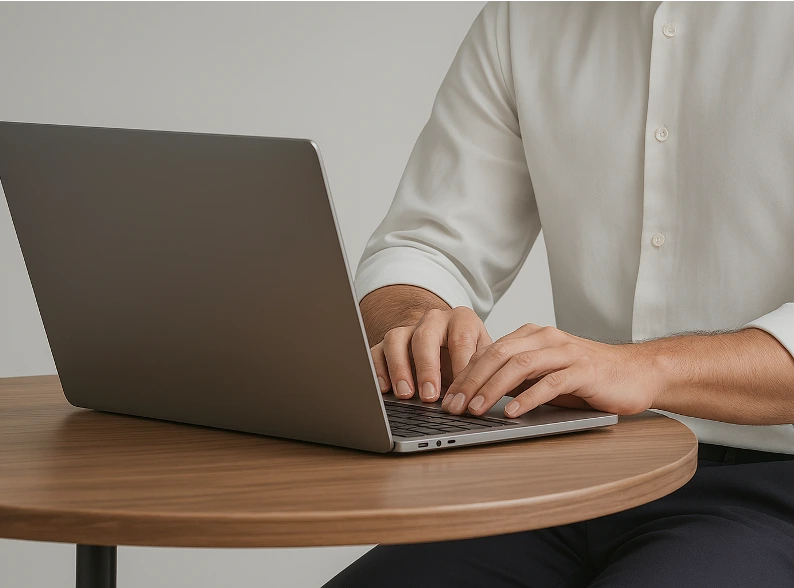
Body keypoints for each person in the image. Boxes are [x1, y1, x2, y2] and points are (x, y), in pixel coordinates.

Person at [324, 1, 794, 586]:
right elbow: (428, 244)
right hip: (578, 465)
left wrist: (646, 368)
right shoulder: (526, 17)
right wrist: (416, 322)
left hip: (775, 485)